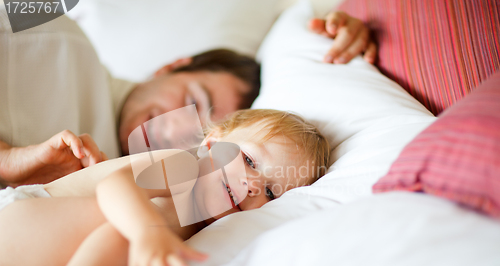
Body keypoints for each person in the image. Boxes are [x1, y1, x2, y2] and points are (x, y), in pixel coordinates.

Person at [0, 108, 331, 266]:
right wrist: (147, 235)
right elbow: (115, 187)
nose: (253, 184)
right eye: (249, 159)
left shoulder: (206, 228)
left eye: (271, 193)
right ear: (212, 143)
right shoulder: (187, 165)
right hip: (19, 226)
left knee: (166, 260)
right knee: (152, 226)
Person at [0, 7, 376, 189]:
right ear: (173, 66)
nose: (180, 132)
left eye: (202, 138)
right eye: (195, 101)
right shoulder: (52, 32)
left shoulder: (142, 191)